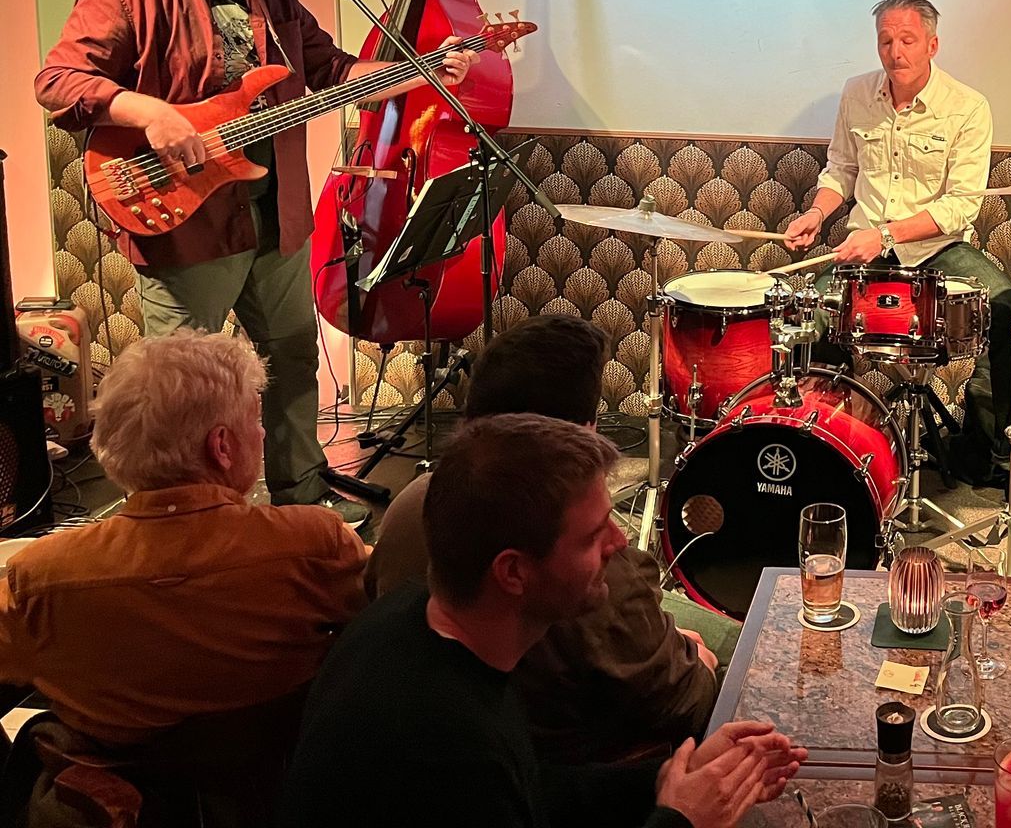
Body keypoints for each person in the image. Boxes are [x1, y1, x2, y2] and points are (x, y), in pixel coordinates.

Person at [34, 0, 479, 526]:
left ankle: (303, 501)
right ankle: (185, 519)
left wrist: (423, 71)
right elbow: (58, 81)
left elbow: (333, 70)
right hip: (184, 219)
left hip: (275, 216)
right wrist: (150, 113)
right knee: (183, 386)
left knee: (292, 359)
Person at [281, 415, 803, 828]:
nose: (619, 542)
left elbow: (532, 790)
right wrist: (682, 819)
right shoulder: (448, 746)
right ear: (513, 572)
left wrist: (667, 778)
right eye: (593, 534)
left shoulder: (412, 618)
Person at [367, 313, 720, 762]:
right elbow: (681, 700)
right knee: (741, 645)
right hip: (578, 767)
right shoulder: (583, 561)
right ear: (575, 437)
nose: (616, 539)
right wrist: (699, 659)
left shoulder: (409, 504)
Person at [0, 331, 367, 747]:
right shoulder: (317, 544)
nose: (263, 434)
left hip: (108, 787)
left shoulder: (35, 580)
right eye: (256, 420)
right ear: (221, 446)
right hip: (280, 780)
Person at [783, 0, 1011, 505]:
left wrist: (886, 235)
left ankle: (1009, 458)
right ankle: (821, 446)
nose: (895, 51)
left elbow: (960, 205)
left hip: (936, 249)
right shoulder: (857, 93)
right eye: (886, 40)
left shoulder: (967, 107)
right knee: (810, 314)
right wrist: (817, 214)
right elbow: (841, 170)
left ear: (932, 44)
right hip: (867, 246)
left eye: (907, 40)